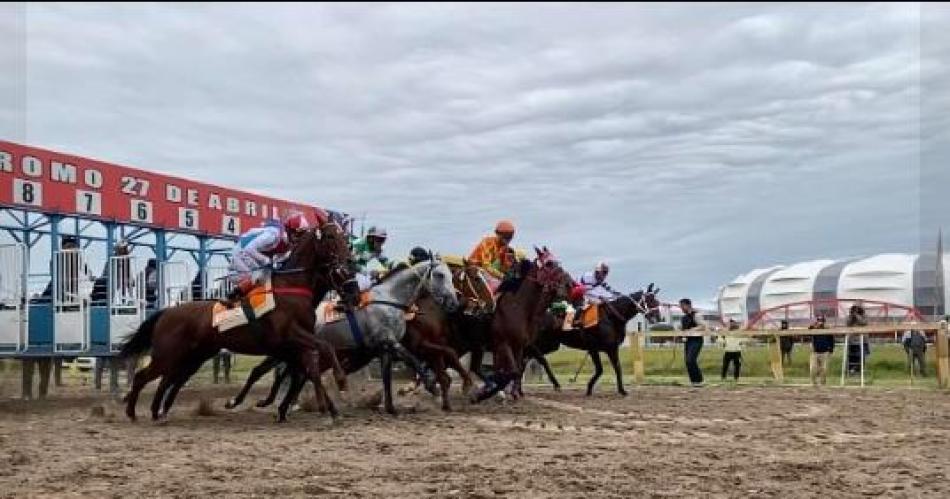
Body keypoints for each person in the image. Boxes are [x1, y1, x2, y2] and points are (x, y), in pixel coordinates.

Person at [226, 213, 311, 302]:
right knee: (259, 278)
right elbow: (249, 249)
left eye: (302, 236)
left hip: (251, 254)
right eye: (298, 235)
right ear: (290, 231)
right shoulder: (274, 235)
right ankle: (233, 297)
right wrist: (266, 260)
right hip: (242, 251)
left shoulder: (288, 245)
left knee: (269, 278)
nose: (299, 240)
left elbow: (277, 261)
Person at [468, 220, 516, 290]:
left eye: (510, 237)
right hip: (474, 269)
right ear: (497, 234)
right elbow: (486, 266)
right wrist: (502, 276)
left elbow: (503, 267)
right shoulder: (487, 243)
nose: (508, 240)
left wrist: (509, 272)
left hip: (488, 271)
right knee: (497, 284)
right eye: (505, 236)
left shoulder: (505, 248)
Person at [679, 298, 706, 386]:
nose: (681, 308)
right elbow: (683, 329)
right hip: (688, 341)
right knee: (687, 361)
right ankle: (694, 381)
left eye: (682, 306)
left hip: (696, 340)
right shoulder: (683, 317)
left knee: (691, 360)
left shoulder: (696, 315)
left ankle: (700, 380)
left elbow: (702, 326)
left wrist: (691, 330)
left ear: (688, 305)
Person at [809, 314, 834, 386]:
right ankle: (814, 383)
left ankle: (823, 384)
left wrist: (831, 350)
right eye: (819, 320)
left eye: (822, 321)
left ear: (824, 322)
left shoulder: (828, 329)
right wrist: (813, 326)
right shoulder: (813, 328)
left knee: (824, 369)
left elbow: (832, 340)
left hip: (825, 352)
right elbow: (808, 330)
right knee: (813, 369)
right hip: (815, 352)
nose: (820, 322)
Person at [846, 303, 869, 375]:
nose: (856, 310)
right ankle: (851, 370)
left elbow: (863, 323)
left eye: (858, 308)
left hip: (862, 340)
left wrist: (857, 315)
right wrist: (852, 316)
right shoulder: (850, 316)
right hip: (852, 341)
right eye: (854, 309)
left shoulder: (864, 316)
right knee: (851, 357)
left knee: (861, 356)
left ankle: (859, 370)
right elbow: (848, 323)